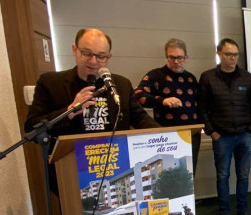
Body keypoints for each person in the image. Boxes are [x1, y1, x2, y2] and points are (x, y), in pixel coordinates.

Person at [25, 28, 158, 137]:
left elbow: (140, 118)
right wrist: (70, 110)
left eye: (101, 56)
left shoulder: (122, 84)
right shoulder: (50, 82)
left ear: (108, 57)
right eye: (87, 53)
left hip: (115, 156)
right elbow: (31, 127)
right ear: (75, 50)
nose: (93, 61)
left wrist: (165, 135)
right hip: (71, 158)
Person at [135, 38, 206, 215]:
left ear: (186, 58)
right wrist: (162, 100)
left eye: (180, 57)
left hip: (191, 136)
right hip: (167, 139)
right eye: (172, 57)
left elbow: (200, 105)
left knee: (188, 178)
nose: (176, 61)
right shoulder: (156, 75)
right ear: (166, 57)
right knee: (167, 180)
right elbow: (138, 95)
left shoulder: (191, 79)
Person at [198, 38, 251, 215]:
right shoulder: (208, 77)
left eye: (235, 54)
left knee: (243, 175)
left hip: (244, 135)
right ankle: (224, 213)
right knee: (223, 175)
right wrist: (211, 131)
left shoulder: (247, 78)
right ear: (219, 53)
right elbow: (201, 108)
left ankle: (243, 212)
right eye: (228, 54)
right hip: (222, 137)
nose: (233, 58)